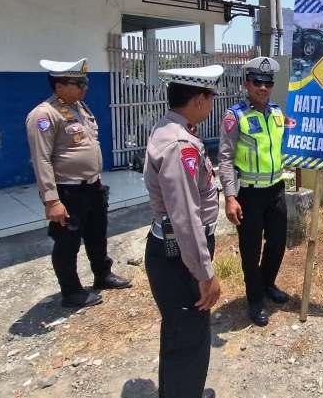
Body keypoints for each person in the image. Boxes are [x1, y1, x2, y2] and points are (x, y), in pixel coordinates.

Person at [143, 65, 225, 398]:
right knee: (188, 333)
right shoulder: (180, 144)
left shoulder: (169, 128)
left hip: (174, 251)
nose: (211, 104)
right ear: (197, 99)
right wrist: (205, 273)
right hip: (180, 256)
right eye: (209, 97)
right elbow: (186, 218)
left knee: (181, 331)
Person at [25, 58, 131, 309]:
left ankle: (102, 275)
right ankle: (71, 291)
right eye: (79, 83)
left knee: (97, 234)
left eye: (85, 82)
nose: (85, 87)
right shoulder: (44, 115)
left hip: (91, 186)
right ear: (60, 85)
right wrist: (52, 200)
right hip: (67, 190)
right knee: (67, 243)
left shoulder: (79, 108)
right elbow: (41, 159)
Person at [217, 56, 288, 327]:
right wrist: (230, 197)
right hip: (249, 193)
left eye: (268, 83)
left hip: (276, 189)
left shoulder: (278, 113)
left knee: (278, 243)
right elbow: (224, 158)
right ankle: (255, 299)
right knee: (250, 250)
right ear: (247, 83)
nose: (263, 88)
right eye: (258, 82)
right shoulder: (235, 116)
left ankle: (268, 283)